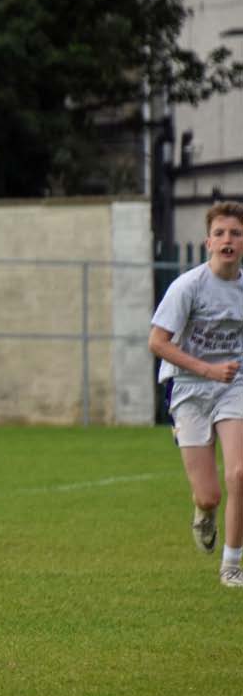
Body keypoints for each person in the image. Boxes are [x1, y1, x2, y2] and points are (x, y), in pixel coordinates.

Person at [149, 201, 243, 588]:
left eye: (235, 233)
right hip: (188, 387)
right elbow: (157, 342)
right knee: (209, 495)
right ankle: (203, 513)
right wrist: (206, 369)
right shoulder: (187, 287)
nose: (228, 240)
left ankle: (232, 564)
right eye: (220, 233)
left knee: (240, 473)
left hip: (233, 387)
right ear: (207, 242)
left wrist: (223, 375)